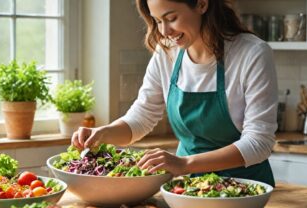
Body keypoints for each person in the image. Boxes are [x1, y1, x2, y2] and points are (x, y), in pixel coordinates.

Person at [71, 0, 277, 186]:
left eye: (171, 18)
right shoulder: (167, 52)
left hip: (243, 190)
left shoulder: (252, 53)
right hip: (184, 188)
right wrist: (104, 133)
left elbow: (259, 143)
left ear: (202, 4)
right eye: (158, 21)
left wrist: (185, 163)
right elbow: (141, 117)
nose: (164, 31)